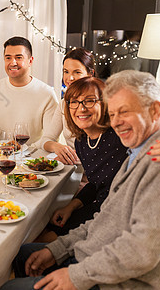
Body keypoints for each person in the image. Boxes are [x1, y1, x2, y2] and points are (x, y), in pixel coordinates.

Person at [0, 70, 160, 290]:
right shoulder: (136, 152)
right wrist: (59, 249)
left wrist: (75, 275)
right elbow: (107, 217)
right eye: (113, 114)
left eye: (124, 112)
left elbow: (140, 251)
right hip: (97, 254)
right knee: (23, 254)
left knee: (9, 287)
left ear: (155, 110)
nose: (117, 123)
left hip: (123, 281)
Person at [36, 77, 128, 243]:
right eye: (74, 102)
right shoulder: (82, 142)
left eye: (89, 101)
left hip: (118, 215)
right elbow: (96, 184)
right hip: (99, 205)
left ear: (105, 103)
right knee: (46, 224)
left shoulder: (121, 137)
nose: (81, 108)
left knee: (41, 242)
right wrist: (71, 206)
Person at [0, 36, 58, 148]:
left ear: (30, 61)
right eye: (8, 58)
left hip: (33, 157)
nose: (13, 63)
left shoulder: (47, 93)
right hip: (0, 157)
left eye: (19, 57)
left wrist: (24, 151)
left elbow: (50, 136)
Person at [40, 48, 95, 165]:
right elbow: (46, 139)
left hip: (95, 169)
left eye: (77, 72)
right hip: (72, 167)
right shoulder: (64, 103)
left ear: (90, 74)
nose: (69, 78)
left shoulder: (99, 105)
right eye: (66, 71)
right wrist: (57, 147)